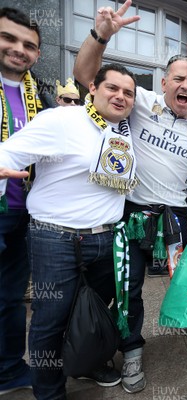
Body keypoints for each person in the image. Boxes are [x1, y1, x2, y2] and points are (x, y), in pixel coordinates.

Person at [73, 0, 187, 393]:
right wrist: (102, 34)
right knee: (129, 285)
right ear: (164, 83)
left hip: (176, 218)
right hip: (132, 213)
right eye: (178, 79)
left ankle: (184, 316)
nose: (185, 86)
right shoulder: (141, 103)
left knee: (184, 277)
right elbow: (85, 75)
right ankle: (132, 349)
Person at [0, 63, 137, 399]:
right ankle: (49, 392)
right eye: (112, 88)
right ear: (93, 88)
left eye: (128, 93)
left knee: (91, 310)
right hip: (54, 238)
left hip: (106, 240)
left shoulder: (125, 131)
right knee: (51, 319)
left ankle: (84, 362)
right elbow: (11, 152)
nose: (120, 96)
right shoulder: (61, 120)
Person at [0, 7, 53, 396]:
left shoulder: (42, 94)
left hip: (24, 214)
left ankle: (8, 369)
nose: (19, 50)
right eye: (9, 39)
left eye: (29, 45)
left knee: (11, 299)